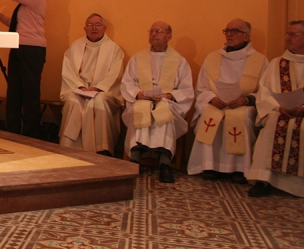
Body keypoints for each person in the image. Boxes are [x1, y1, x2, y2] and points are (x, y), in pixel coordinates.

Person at [187, 19, 267, 183]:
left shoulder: (260, 60)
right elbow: (202, 87)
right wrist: (211, 98)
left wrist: (246, 99)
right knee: (208, 116)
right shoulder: (212, 58)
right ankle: (209, 165)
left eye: (235, 31)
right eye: (227, 30)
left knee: (241, 117)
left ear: (246, 36)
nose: (230, 34)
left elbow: (265, 91)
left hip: (244, 105)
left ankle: (239, 168)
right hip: (217, 103)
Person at [121, 21, 194, 183]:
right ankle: (135, 158)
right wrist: (138, 93)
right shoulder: (137, 58)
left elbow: (187, 90)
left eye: (158, 31)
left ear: (169, 36)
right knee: (142, 107)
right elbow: (127, 82)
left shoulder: (179, 61)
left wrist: (170, 95)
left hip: (167, 101)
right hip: (143, 99)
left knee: (164, 109)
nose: (153, 34)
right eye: (151, 31)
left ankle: (165, 163)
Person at [0, 0, 48, 137]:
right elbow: (11, 22)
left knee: (30, 93)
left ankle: (31, 134)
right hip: (20, 48)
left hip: (32, 50)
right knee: (14, 91)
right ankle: (13, 132)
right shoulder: (27, 4)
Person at [246, 20, 304, 197]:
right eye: (287, 34)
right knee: (272, 122)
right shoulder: (276, 64)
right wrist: (279, 108)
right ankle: (263, 179)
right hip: (280, 111)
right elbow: (264, 93)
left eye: (293, 34)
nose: (288, 38)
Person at [59, 13, 124, 156]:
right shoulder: (75, 46)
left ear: (104, 28)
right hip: (79, 89)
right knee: (72, 101)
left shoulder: (114, 49)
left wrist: (98, 88)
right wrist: (80, 87)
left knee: (99, 101)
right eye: (90, 25)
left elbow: (115, 74)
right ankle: (69, 148)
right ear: (85, 28)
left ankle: (102, 148)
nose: (94, 28)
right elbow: (67, 71)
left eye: (98, 25)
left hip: (103, 91)